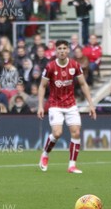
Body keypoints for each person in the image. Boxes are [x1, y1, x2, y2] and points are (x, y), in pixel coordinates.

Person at [37, 40, 96, 174]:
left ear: (68, 50)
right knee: (57, 133)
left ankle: (72, 165)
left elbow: (83, 84)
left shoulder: (75, 65)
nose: (62, 51)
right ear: (56, 51)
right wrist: (40, 106)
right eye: (59, 48)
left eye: (64, 48)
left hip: (71, 104)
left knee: (76, 132)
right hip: (55, 104)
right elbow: (42, 86)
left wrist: (91, 105)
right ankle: (45, 154)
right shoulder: (50, 67)